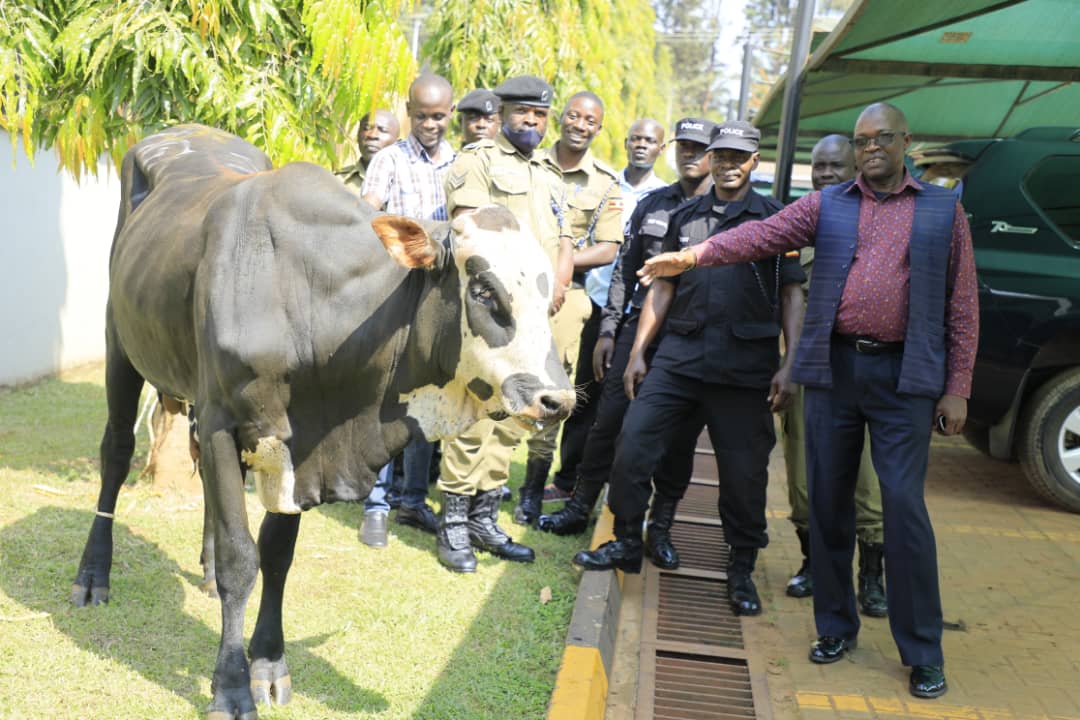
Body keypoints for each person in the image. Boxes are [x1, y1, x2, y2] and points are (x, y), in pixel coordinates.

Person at [639, 103, 978, 700]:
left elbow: (963, 307)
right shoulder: (828, 205)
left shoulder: (942, 210)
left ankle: (923, 649)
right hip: (833, 371)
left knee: (904, 510)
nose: (870, 148)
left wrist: (959, 387)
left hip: (907, 378)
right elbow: (758, 235)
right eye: (861, 140)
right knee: (826, 503)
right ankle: (835, 626)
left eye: (881, 139)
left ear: (906, 142)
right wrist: (693, 255)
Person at [573, 121, 805, 620]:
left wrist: (791, 362)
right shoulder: (685, 216)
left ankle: (740, 568)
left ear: (754, 161)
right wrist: (639, 352)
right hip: (679, 359)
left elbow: (791, 292)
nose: (727, 164)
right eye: (721, 155)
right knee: (633, 446)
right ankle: (627, 540)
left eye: (738, 156)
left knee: (744, 478)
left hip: (744, 369)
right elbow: (662, 287)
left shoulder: (775, 219)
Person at [537, 118, 716, 575]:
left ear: (715, 153)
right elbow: (623, 271)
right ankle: (580, 507)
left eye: (701, 148)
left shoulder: (726, 213)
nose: (690, 155)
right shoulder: (654, 204)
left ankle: (661, 528)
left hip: (694, 340)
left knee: (677, 441)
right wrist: (609, 331)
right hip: (637, 332)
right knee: (606, 423)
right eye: (685, 147)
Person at [436, 74, 570, 572]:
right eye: (521, 113)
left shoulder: (551, 173)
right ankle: (452, 524)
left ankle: (484, 520)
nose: (530, 121)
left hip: (536, 315)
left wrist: (556, 285)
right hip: (492, 316)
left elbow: (562, 240)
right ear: (503, 112)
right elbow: (469, 235)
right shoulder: (478, 160)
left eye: (539, 114)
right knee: (474, 414)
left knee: (517, 415)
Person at [782, 134, 887, 619]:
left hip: (859, 371)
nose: (824, 173)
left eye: (835, 166)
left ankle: (871, 576)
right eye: (818, 166)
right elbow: (785, 302)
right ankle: (813, 563)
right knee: (804, 475)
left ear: (856, 168)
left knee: (865, 479)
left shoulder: (877, 222)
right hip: (807, 370)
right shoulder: (799, 224)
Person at [511, 91, 624, 526]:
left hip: (567, 297)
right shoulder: (528, 162)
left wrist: (557, 262)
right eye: (573, 116)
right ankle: (484, 483)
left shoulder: (605, 183)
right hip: (514, 286)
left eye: (589, 120)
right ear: (561, 118)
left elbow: (609, 247)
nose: (580, 124)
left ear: (598, 128)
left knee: (551, 388)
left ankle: (532, 491)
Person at [543, 117, 668, 505]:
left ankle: (609, 485)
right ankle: (566, 480)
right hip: (597, 305)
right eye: (635, 138)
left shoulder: (666, 197)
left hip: (640, 313)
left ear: (661, 149)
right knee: (584, 394)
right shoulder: (607, 182)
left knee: (626, 403)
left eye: (649, 140)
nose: (641, 145)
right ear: (626, 142)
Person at [356, 73, 457, 546]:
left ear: (450, 114)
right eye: (421, 116)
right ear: (408, 112)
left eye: (439, 117)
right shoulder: (389, 159)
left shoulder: (462, 164)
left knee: (428, 401)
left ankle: (413, 502)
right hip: (395, 292)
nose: (430, 125)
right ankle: (376, 504)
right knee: (387, 398)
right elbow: (368, 213)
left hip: (438, 299)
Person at [336, 110, 401, 192]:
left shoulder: (412, 184)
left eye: (383, 130)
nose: (372, 135)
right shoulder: (336, 182)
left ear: (398, 144)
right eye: (366, 128)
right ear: (357, 136)